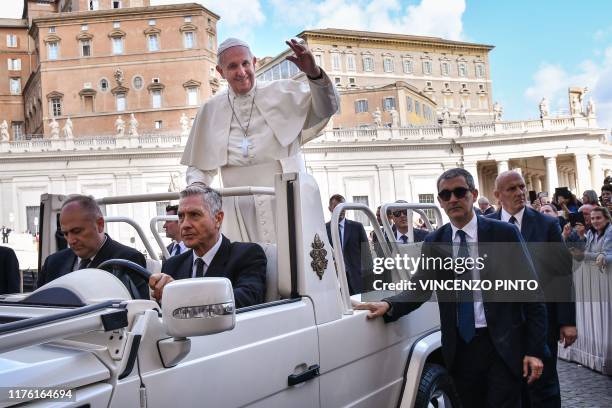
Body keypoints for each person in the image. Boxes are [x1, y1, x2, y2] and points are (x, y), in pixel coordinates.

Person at [355, 168, 546, 408]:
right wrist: (389, 304)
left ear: (474, 194)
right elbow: (420, 288)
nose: (453, 199)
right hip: (460, 350)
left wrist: (535, 349)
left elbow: (532, 293)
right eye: (445, 195)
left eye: (459, 192)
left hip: (503, 347)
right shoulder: (435, 242)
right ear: (439, 202)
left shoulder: (504, 234)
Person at [181, 37, 339, 244]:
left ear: (253, 62)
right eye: (232, 66)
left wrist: (314, 74)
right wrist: (197, 191)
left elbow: (327, 108)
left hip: (288, 200)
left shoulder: (282, 92)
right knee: (246, 269)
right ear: (220, 72)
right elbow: (199, 166)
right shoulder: (210, 110)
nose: (241, 72)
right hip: (238, 209)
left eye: (245, 63)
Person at [488, 170, 576, 408]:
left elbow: (562, 274)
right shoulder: (487, 228)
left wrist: (567, 321)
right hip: (503, 323)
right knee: (510, 386)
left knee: (544, 385)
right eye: (511, 189)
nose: (519, 193)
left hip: (542, 320)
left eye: (521, 187)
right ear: (498, 195)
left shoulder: (547, 224)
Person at [148, 186, 266, 308]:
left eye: (194, 215)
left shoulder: (247, 255)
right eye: (181, 217)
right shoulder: (172, 265)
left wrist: (180, 293)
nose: (185, 225)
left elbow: (246, 299)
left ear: (218, 219)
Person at [37, 195, 149, 299]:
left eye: (77, 231)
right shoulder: (53, 263)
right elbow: (35, 305)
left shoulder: (128, 260)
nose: (71, 240)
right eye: (65, 234)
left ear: (100, 224)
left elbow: (138, 312)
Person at [325, 194, 373, 295]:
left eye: (343, 206)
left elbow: (366, 255)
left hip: (356, 279)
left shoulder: (357, 227)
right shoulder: (323, 229)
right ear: (330, 209)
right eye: (336, 207)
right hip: (334, 282)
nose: (341, 210)